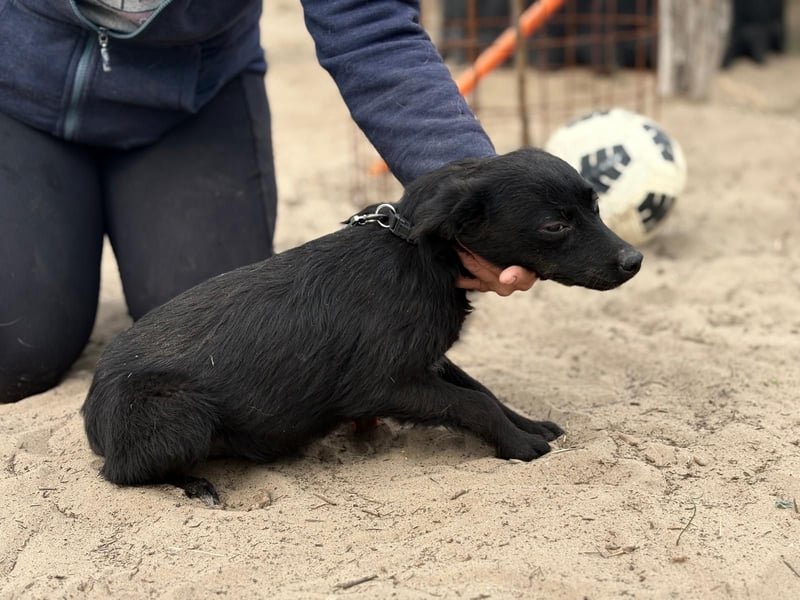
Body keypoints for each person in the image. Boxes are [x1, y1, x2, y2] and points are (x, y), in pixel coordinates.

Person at [0, 0, 536, 403]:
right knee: (16, 350)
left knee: (234, 351)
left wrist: (476, 193)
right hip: (16, 92)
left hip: (189, 104)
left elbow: (370, 25)